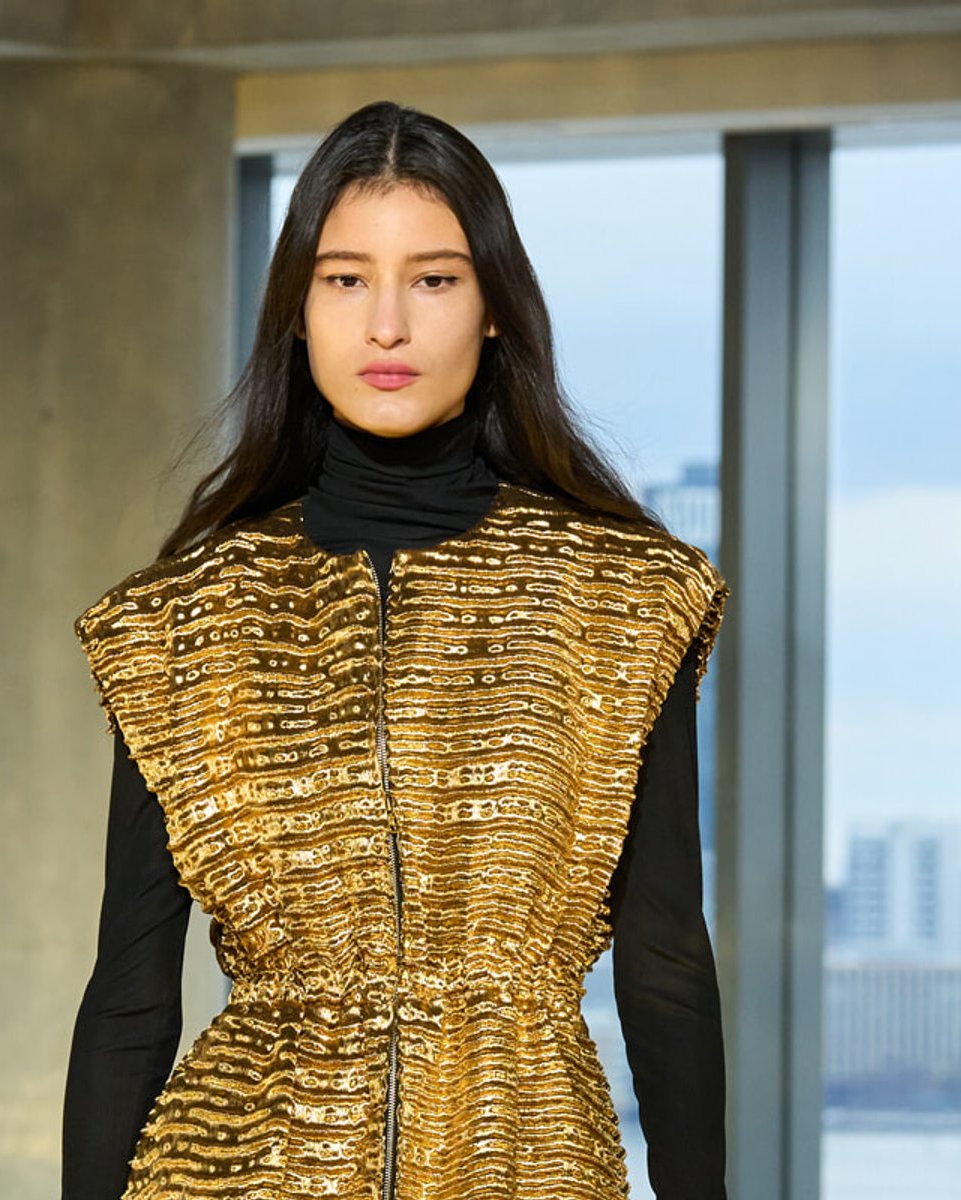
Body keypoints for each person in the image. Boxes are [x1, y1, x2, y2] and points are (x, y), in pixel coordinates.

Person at [62, 99, 730, 1200]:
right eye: (343, 279)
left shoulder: (623, 596)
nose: (387, 326)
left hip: (525, 1160)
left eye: (432, 279)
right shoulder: (180, 619)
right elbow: (131, 995)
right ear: (296, 310)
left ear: (497, 307)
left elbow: (665, 965)